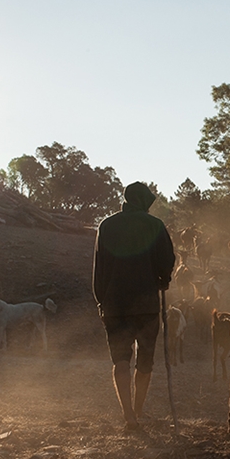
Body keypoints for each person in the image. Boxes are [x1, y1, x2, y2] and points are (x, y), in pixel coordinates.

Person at [93, 182, 176, 430]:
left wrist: (101, 300)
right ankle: (139, 409)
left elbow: (99, 267)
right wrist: (164, 279)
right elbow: (167, 260)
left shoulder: (107, 225)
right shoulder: (154, 225)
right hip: (147, 306)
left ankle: (129, 414)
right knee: (145, 361)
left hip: (115, 305)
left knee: (121, 360)